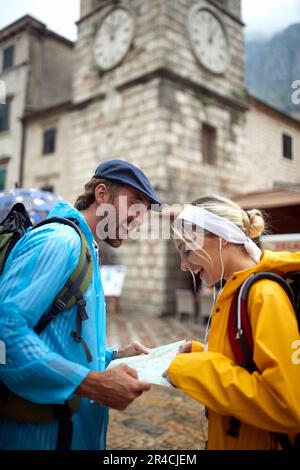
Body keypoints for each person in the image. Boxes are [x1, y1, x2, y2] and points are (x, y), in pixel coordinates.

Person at [0, 159, 162, 450]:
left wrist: (113, 357)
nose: (138, 219)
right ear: (101, 194)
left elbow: (60, 339)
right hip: (40, 436)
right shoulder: (62, 241)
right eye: (135, 204)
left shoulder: (88, 249)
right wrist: (92, 383)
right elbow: (5, 333)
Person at [166, 194, 300, 450]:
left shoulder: (263, 295)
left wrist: (192, 369)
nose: (183, 265)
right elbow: (243, 363)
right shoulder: (233, 292)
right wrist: (198, 352)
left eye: (188, 250)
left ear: (221, 238)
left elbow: (287, 404)